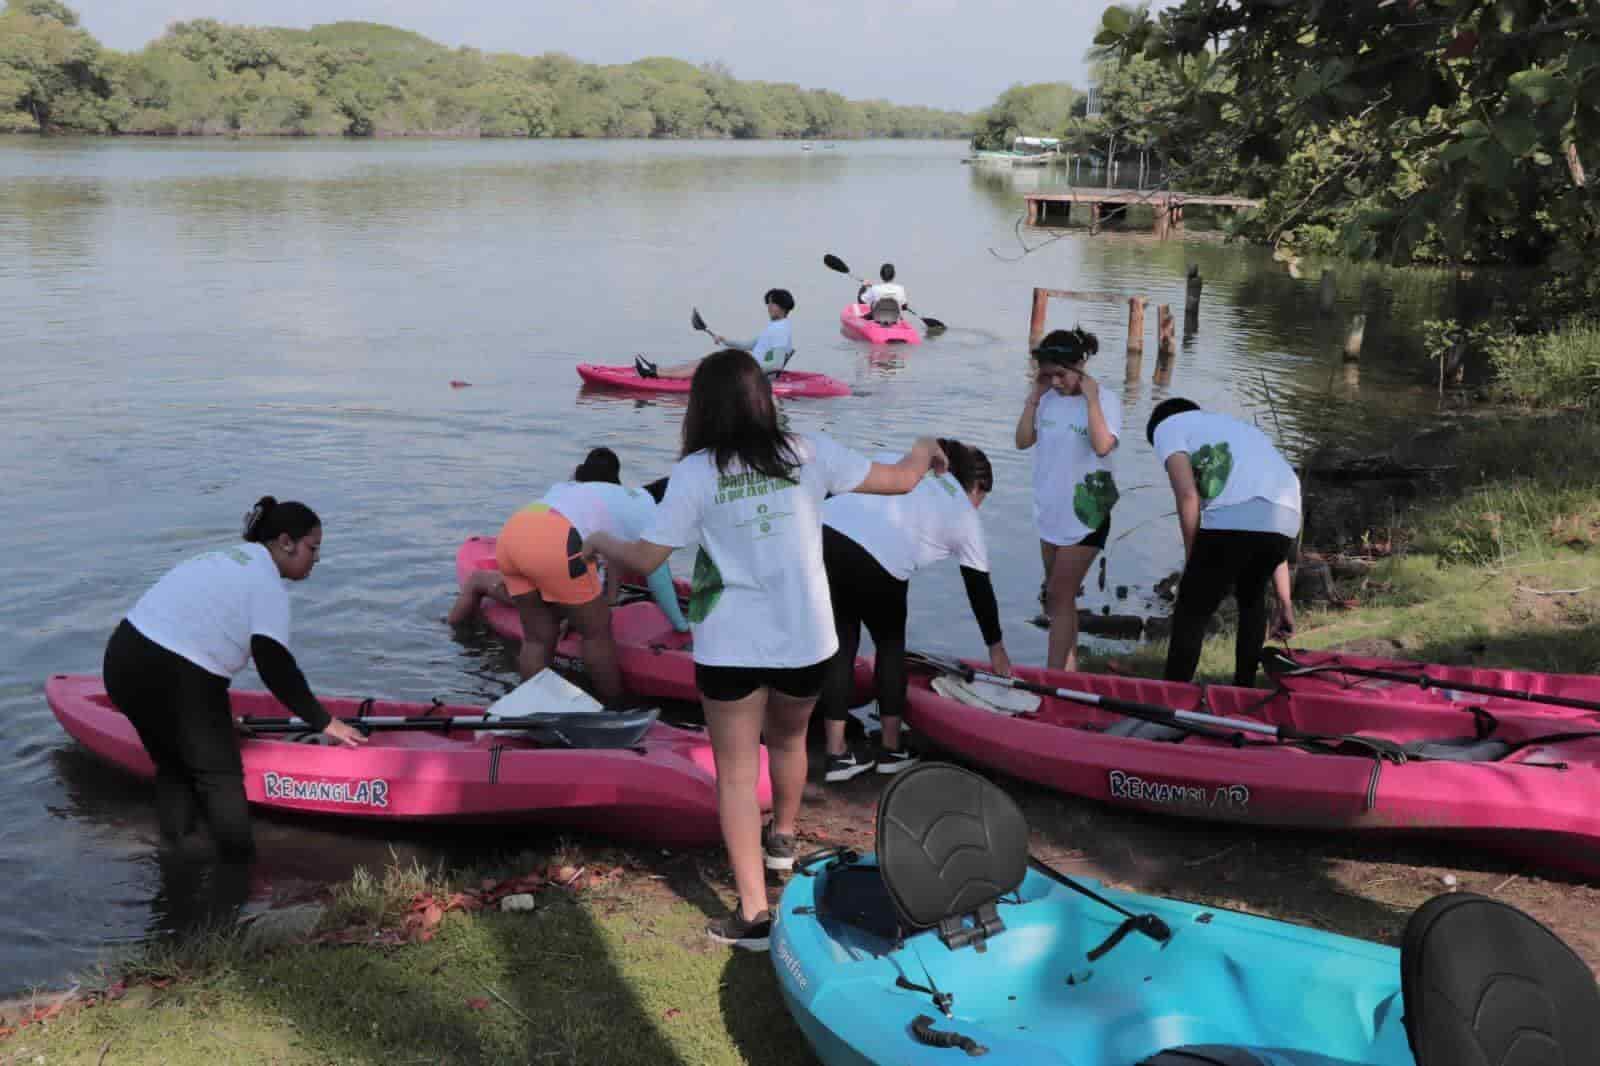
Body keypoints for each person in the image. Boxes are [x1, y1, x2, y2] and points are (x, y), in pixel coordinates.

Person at [583, 349, 946, 951]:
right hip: (806, 639)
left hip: (730, 645)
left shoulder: (696, 472)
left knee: (735, 773)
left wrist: (600, 539)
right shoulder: (809, 453)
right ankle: (782, 839)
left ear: (700, 407)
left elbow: (647, 559)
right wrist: (924, 443)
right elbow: (902, 479)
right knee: (787, 742)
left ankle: (753, 915)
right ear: (764, 399)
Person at [102, 497, 366, 865]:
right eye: (313, 547)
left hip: (123, 660)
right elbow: (275, 667)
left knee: (173, 763)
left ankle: (177, 858)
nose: (316, 558)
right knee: (220, 775)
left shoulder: (223, 558)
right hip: (174, 670)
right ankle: (237, 875)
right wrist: (326, 722)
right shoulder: (266, 584)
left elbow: (196, 642)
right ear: (286, 542)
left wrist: (217, 721)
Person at [816, 438, 1011, 782]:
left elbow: (843, 485)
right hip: (879, 558)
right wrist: (997, 650)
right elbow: (978, 588)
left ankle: (837, 754)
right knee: (890, 647)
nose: (979, 507)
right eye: (982, 498)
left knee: (842, 643)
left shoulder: (907, 459)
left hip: (825, 535)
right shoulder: (965, 515)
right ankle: (892, 749)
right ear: (977, 487)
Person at [450, 448, 689, 704]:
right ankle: (614, 705)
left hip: (514, 533)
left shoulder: (589, 492)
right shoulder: (648, 511)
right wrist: (681, 627)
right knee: (596, 632)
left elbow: (612, 557)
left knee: (538, 637)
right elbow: (657, 574)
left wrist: (604, 599)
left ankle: (532, 703)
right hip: (558, 540)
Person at [1145, 397, 1301, 687]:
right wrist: (1285, 601)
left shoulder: (1166, 427)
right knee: (1252, 598)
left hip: (1240, 518)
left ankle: (1172, 695)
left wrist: (1192, 563)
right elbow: (1264, 520)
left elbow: (1187, 496)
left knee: (1192, 609)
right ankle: (1243, 689)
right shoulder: (1235, 429)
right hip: (1288, 514)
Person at [1015, 327, 1122, 672]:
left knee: (1058, 598)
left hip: (1088, 512)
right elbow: (1022, 440)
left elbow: (1103, 445)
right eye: (1047, 375)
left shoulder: (1105, 400)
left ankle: (1050, 681)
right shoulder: (1046, 399)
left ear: (1081, 364)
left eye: (1061, 374)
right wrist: (1034, 396)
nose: (1055, 382)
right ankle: (1069, 677)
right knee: (1062, 603)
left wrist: (1090, 400)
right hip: (1050, 512)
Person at [635, 289, 796, 380]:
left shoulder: (781, 330)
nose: (768, 306)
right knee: (706, 360)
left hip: (752, 375)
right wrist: (725, 340)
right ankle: (657, 370)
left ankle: (654, 373)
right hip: (749, 367)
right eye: (768, 302)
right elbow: (748, 345)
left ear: (782, 307)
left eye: (772, 303)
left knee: (707, 365)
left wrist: (747, 369)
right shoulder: (776, 326)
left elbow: (775, 364)